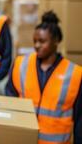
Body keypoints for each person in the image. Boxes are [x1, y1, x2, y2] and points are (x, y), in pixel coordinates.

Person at [6, 11, 82, 143]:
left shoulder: (75, 74)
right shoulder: (20, 64)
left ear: (56, 41)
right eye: (35, 41)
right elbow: (10, 101)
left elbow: (79, 119)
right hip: (24, 140)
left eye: (42, 41)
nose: (36, 46)